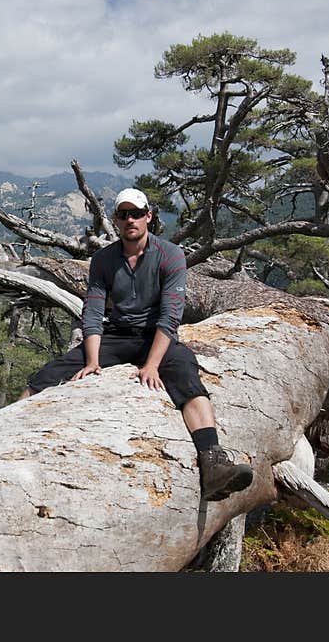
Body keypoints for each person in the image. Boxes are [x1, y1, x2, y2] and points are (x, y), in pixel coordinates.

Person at [18, 188, 253, 501]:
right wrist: (91, 361)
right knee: (46, 376)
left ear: (149, 217)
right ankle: (2, 435)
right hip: (116, 334)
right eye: (124, 214)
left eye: (137, 213)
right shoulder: (103, 259)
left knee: (186, 376)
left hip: (156, 336)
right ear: (116, 220)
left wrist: (153, 365)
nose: (131, 219)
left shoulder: (170, 255)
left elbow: (170, 318)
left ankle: (213, 463)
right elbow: (93, 313)